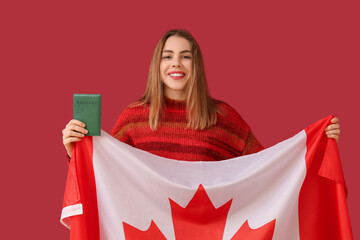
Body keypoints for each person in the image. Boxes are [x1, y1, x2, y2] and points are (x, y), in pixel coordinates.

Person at [62, 29, 340, 160]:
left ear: (197, 66)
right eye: (167, 56)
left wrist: (317, 145)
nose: (176, 63)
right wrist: (75, 151)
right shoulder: (134, 118)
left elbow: (266, 168)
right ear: (157, 66)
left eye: (186, 56)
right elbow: (107, 175)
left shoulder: (224, 117)